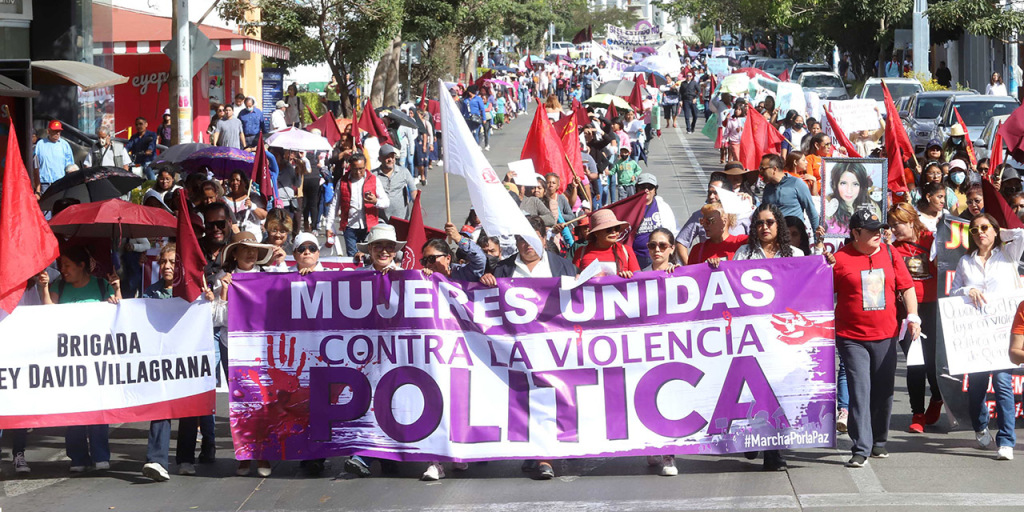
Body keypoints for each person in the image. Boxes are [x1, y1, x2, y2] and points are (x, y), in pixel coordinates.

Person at [832, 210, 920, 468]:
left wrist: (913, 316)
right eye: (870, 230)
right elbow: (819, 291)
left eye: (879, 229)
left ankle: (878, 440)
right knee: (860, 389)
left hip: (886, 334)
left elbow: (906, 287)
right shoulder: (839, 259)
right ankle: (860, 446)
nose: (877, 234)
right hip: (851, 337)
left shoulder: (891, 253)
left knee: (883, 391)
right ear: (855, 233)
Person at [732, 203, 805, 471]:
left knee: (780, 392)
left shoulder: (796, 254)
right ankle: (753, 440)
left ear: (779, 225)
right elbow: (731, 289)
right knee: (755, 391)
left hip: (783, 336)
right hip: (753, 334)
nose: (765, 227)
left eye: (770, 222)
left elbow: (808, 288)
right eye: (760, 223)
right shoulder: (744, 254)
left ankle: (775, 452)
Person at [36, 245, 121, 472]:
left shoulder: (102, 286)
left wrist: (117, 290)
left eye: (67, 265)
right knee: (73, 407)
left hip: (97, 360)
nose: (62, 270)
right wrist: (44, 289)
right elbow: (48, 315)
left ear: (82, 265)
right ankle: (78, 457)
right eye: (61, 265)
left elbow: (120, 315)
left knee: (97, 407)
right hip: (69, 361)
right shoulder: (59, 286)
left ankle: (100, 454)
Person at [950, 214, 1024, 460]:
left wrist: (1000, 231)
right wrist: (966, 289)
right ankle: (980, 426)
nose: (980, 233)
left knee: (1003, 384)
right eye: (974, 230)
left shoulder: (1009, 255)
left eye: (985, 228)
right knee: (977, 387)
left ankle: (1006, 441)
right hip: (975, 335)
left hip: (1003, 332)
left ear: (995, 230)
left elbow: (1022, 234)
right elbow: (953, 292)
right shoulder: (965, 261)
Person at [887, 203, 943, 434]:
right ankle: (917, 413)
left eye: (897, 224)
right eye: (890, 225)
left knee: (933, 362)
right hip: (907, 312)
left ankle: (938, 397)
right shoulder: (891, 248)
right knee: (915, 361)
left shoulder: (932, 240)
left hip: (933, 307)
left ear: (911, 220)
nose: (894, 229)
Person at [325, 153, 389, 257]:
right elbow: (334, 205)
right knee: (353, 259)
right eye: (355, 169)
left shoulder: (374, 180)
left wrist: (375, 201)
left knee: (370, 257)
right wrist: (329, 226)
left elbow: (386, 202)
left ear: (365, 166)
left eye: (361, 169)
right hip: (350, 227)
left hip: (369, 228)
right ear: (350, 167)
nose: (358, 172)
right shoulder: (342, 182)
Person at [759, 153, 819, 232]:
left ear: (774, 169)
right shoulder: (768, 188)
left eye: (763, 169)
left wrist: (817, 240)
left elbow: (811, 212)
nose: (760, 172)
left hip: (794, 238)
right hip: (775, 238)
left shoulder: (796, 183)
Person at [572, 209, 641, 277]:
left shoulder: (626, 251)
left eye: (616, 228)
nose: (614, 232)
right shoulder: (581, 252)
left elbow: (638, 280)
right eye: (609, 229)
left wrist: (629, 276)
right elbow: (572, 277)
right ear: (596, 233)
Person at [823, 160, 881, 236]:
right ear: (835, 185)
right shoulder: (828, 204)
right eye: (843, 183)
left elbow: (879, 234)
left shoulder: (871, 206)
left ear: (861, 186)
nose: (849, 190)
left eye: (855, 184)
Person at [632, 173, 677, 269]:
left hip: (659, 256)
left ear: (655, 190)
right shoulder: (630, 208)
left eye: (650, 187)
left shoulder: (663, 207)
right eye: (642, 187)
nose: (646, 190)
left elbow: (673, 231)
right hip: (636, 257)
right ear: (637, 189)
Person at [374, 144, 417, 222]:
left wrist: (416, 202)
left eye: (392, 157)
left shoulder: (404, 172)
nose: (390, 159)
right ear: (380, 159)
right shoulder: (373, 175)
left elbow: (413, 190)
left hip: (401, 219)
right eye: (387, 157)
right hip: (381, 220)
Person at [33, 120, 75, 195]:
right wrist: (38, 190)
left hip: (60, 183)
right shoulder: (40, 144)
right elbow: (36, 168)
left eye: (59, 131)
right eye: (55, 131)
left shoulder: (65, 145)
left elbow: (70, 167)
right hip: (44, 184)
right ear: (48, 131)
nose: (57, 134)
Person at [223, 169, 268, 236]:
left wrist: (253, 206)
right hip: (233, 238)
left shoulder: (253, 197)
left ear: (245, 182)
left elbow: (263, 216)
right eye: (232, 180)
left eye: (238, 180)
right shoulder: (224, 200)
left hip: (253, 237)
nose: (235, 182)